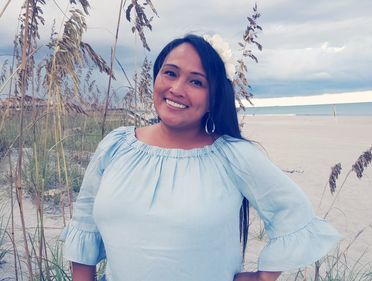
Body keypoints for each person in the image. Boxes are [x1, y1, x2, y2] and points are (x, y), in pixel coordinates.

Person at [61, 34, 341, 281]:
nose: (177, 88)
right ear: (156, 77)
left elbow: (293, 211)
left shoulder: (232, 156)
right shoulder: (116, 146)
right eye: (170, 73)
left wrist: (263, 276)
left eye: (196, 81)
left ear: (214, 96)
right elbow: (84, 225)